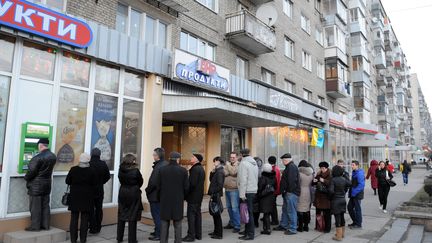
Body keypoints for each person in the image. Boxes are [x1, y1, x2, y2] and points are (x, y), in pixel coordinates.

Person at [24, 138, 57, 231]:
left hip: (36, 186)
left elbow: (31, 172)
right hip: (47, 185)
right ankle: (45, 225)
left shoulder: (37, 157)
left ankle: (35, 226)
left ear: (40, 145)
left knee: (35, 207)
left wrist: (26, 178)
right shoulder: (53, 156)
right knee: (45, 205)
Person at [159, 152, 189, 243]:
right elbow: (186, 187)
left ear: (169, 159)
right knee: (178, 223)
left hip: (165, 200)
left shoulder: (162, 170)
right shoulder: (183, 170)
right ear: (178, 159)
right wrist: (184, 197)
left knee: (164, 223)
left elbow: (158, 185)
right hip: (178, 200)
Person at [66, 153, 97, 243]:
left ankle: (73, 240)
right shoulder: (92, 170)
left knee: (74, 219)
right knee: (85, 219)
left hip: (75, 197)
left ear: (79, 160)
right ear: (88, 160)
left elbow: (67, 181)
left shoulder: (73, 169)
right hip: (87, 198)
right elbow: (95, 184)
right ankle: (83, 240)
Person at [116, 154, 143, 243]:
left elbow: (120, 180)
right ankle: (132, 239)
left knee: (122, 214)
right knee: (132, 215)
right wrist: (135, 186)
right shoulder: (135, 171)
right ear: (132, 161)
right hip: (133, 193)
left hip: (123, 191)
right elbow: (140, 181)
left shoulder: (121, 169)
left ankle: (119, 238)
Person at [145, 148, 168, 241]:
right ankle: (157, 231)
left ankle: (159, 234)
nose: (153, 156)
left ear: (157, 156)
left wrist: (147, 190)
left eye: (154, 154)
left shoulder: (159, 166)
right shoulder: (166, 164)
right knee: (160, 215)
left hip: (156, 196)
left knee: (157, 216)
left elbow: (153, 182)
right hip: (162, 195)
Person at [275, 153, 300, 235]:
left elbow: (292, 181)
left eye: (283, 160)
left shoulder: (291, 167)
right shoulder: (289, 167)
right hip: (288, 193)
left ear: (286, 160)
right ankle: (284, 225)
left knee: (291, 211)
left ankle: (293, 229)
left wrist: (287, 191)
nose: (282, 162)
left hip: (291, 193)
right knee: (285, 210)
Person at [183, 154, 205, 242]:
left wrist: (185, 193)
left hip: (193, 197)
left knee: (191, 216)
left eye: (192, 157)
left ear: (196, 160)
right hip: (198, 196)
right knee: (197, 215)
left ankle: (191, 235)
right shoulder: (200, 168)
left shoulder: (195, 169)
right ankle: (198, 235)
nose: (190, 158)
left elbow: (192, 184)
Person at [237, 148, 258, 241]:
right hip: (253, 190)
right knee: (248, 213)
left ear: (241, 154)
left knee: (247, 213)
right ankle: (247, 232)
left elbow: (243, 180)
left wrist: (242, 195)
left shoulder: (243, 163)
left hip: (246, 191)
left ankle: (250, 234)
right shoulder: (254, 163)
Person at [89, 148, 111, 234]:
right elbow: (108, 176)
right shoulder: (103, 164)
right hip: (99, 190)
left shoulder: (89, 164)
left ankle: (92, 227)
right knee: (99, 208)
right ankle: (98, 227)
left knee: (90, 209)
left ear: (91, 154)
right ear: (99, 154)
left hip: (90, 190)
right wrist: (101, 182)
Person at [328, 165, 351, 241]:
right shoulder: (344, 179)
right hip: (343, 200)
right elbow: (350, 184)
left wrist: (331, 196)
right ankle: (342, 234)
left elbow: (331, 191)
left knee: (337, 218)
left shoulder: (333, 180)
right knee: (342, 216)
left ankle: (338, 236)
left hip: (336, 200)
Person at [208, 156, 225, 239]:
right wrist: (212, 171)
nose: (214, 163)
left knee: (216, 213)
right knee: (214, 213)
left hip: (216, 195)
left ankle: (219, 234)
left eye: (214, 161)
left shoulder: (220, 172)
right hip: (215, 194)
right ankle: (216, 231)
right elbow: (211, 180)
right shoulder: (217, 171)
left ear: (218, 162)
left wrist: (213, 192)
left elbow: (220, 185)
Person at [223, 152, 241, 233]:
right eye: (231, 157)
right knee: (229, 208)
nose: (232, 158)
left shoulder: (239, 164)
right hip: (227, 189)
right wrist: (229, 170)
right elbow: (225, 173)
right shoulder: (228, 165)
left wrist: (228, 166)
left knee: (235, 209)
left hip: (234, 190)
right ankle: (232, 222)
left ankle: (237, 225)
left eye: (233, 157)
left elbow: (234, 172)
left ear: (237, 158)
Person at [257, 163, 276, 235]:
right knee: (267, 213)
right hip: (271, 196)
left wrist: (259, 194)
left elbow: (260, 187)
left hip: (264, 197)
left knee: (266, 214)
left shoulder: (263, 177)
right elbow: (276, 186)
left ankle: (267, 229)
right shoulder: (273, 177)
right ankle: (266, 228)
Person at [313, 161, 332, 233]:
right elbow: (314, 183)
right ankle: (318, 226)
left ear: (327, 168)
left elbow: (331, 184)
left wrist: (323, 180)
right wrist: (314, 181)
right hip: (318, 196)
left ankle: (327, 228)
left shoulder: (330, 174)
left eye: (323, 168)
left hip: (326, 197)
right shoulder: (318, 173)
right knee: (318, 213)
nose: (322, 169)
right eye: (321, 168)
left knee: (327, 214)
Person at [297, 160, 313, 232]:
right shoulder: (311, 174)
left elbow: (297, 183)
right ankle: (306, 226)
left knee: (300, 210)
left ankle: (300, 227)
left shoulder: (299, 174)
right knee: (306, 210)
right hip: (308, 192)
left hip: (301, 192)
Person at [348, 160, 365, 229]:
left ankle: (358, 224)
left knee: (357, 209)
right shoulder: (354, 172)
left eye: (353, 165)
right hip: (353, 194)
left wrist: (354, 192)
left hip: (357, 194)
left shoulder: (359, 173)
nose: (351, 166)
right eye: (351, 165)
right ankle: (355, 222)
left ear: (357, 165)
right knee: (349, 207)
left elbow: (361, 185)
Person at [268, 156, 281, 226]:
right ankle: (274, 219)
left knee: (272, 206)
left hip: (272, 191)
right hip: (276, 190)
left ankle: (274, 220)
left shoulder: (272, 170)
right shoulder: (277, 169)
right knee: (273, 205)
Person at [253, 157, 264, 228]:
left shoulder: (257, 171)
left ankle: (255, 222)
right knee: (256, 207)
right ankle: (255, 222)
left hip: (256, 191)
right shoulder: (261, 170)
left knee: (255, 207)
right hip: (258, 191)